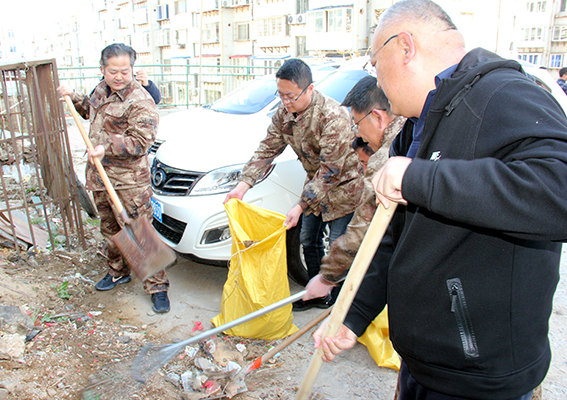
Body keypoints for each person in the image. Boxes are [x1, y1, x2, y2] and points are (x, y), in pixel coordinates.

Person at [314, 1, 567, 399]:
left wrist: (421, 177)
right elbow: (395, 235)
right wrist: (356, 314)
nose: (376, 79)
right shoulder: (417, 127)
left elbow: (558, 191)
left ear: (405, 48)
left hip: (479, 379)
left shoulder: (503, 95)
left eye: (375, 63)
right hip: (422, 364)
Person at [224, 58, 364, 311]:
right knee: (309, 240)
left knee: (339, 248)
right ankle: (317, 293)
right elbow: (268, 149)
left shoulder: (332, 117)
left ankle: (343, 305)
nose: (285, 102)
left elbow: (331, 171)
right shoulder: (285, 113)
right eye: (281, 96)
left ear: (309, 89)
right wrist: (243, 186)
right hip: (314, 188)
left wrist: (299, 206)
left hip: (344, 190)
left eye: (291, 96)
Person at [57, 43, 172, 314]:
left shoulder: (141, 100)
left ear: (132, 69)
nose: (118, 77)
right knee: (110, 230)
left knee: (139, 234)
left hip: (129, 183)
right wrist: (71, 97)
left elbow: (140, 141)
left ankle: (157, 287)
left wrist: (105, 146)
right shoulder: (101, 90)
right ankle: (118, 271)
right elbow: (88, 110)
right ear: (102, 69)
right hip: (100, 177)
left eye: (124, 71)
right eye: (112, 71)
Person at [302, 75, 405, 301]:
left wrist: (326, 277)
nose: (357, 133)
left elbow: (361, 226)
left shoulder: (385, 157)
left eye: (357, 123)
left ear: (377, 117)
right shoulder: (411, 130)